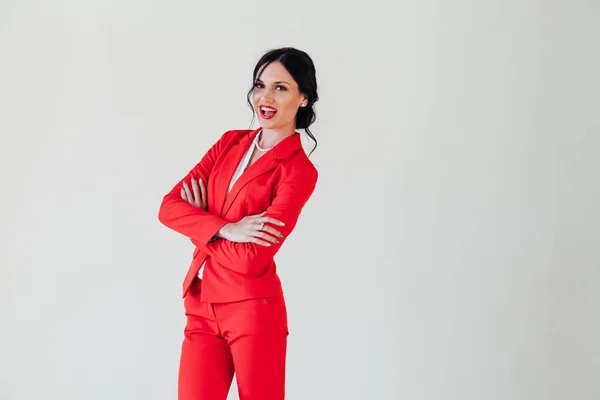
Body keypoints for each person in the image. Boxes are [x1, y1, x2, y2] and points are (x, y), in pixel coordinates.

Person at [157, 47, 319, 400]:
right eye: (260, 85)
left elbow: (252, 259)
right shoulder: (229, 142)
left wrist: (198, 225)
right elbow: (168, 208)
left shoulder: (297, 171)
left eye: (281, 88)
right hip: (200, 305)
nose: (265, 96)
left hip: (252, 312)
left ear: (303, 97)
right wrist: (224, 228)